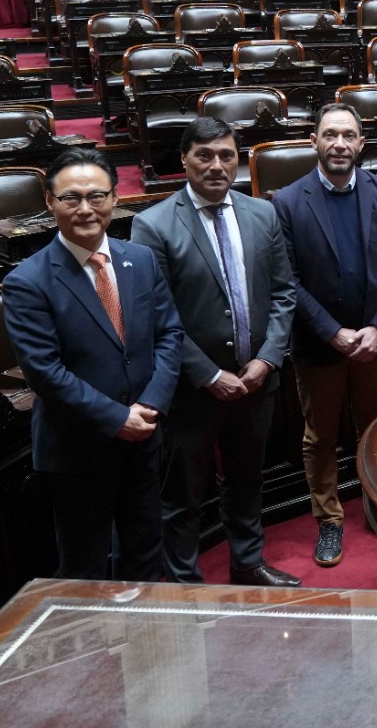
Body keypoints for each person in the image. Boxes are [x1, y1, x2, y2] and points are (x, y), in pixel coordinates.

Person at [130, 117, 300, 587]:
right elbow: (157, 317)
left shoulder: (261, 214)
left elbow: (285, 293)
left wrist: (267, 358)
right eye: (204, 155)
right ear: (184, 159)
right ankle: (183, 585)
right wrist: (208, 374)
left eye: (226, 155)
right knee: (183, 495)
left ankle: (248, 564)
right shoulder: (153, 225)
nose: (216, 165)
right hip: (192, 390)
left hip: (257, 380)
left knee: (248, 481)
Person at [1, 148, 182, 580]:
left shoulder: (139, 259)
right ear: (50, 202)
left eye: (96, 196)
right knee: (85, 567)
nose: (85, 208)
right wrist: (118, 417)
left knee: (145, 554)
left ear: (115, 199)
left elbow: (170, 335)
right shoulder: (27, 281)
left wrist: (150, 406)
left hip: (144, 438)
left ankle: (146, 644)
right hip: (78, 451)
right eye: (71, 198)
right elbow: (45, 372)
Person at [271, 103, 377, 568]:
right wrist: (333, 333)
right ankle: (328, 519)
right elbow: (287, 280)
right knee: (321, 436)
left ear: (360, 143)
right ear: (314, 141)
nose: (339, 144)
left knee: (375, 431)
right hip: (319, 346)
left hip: (376, 343)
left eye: (348, 135)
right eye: (330, 134)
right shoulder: (288, 201)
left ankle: (376, 507)